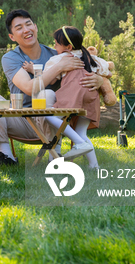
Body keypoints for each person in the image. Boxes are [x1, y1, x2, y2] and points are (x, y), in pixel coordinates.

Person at [0, 10, 105, 166]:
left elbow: (88, 70)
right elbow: (29, 88)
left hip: (52, 120)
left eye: (28, 24)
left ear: (36, 27)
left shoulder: (58, 53)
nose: (26, 30)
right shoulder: (11, 58)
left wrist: (101, 81)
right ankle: (6, 156)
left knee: (48, 94)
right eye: (19, 27)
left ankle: (55, 153)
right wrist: (59, 67)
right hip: (22, 119)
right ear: (12, 37)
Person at [33, 26, 115, 169]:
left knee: (49, 115)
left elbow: (51, 80)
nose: (54, 46)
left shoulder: (60, 58)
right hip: (91, 95)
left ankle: (80, 144)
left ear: (68, 47)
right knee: (81, 132)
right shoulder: (92, 57)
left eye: (57, 44)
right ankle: (94, 166)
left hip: (73, 93)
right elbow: (108, 71)